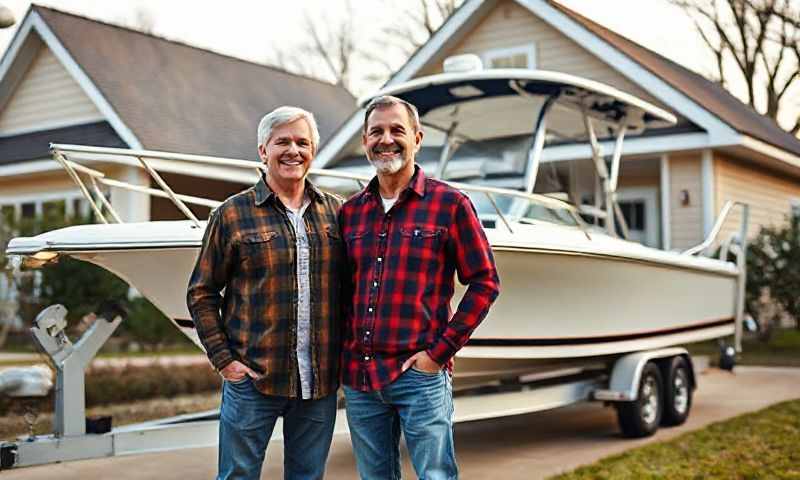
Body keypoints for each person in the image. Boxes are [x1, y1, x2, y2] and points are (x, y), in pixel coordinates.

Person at [339, 95, 500, 479]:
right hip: (362, 378)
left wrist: (438, 355)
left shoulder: (450, 204)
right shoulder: (350, 212)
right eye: (376, 131)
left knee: (436, 476)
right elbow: (344, 291)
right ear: (365, 141)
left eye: (397, 130)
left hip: (420, 374)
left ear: (417, 138)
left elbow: (485, 282)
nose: (386, 139)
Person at [187, 106, 344, 480]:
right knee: (237, 476)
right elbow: (202, 293)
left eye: (302, 142)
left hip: (319, 383)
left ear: (313, 152)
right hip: (253, 380)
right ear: (263, 151)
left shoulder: (337, 212)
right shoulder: (230, 215)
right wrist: (226, 362)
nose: (293, 150)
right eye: (282, 142)